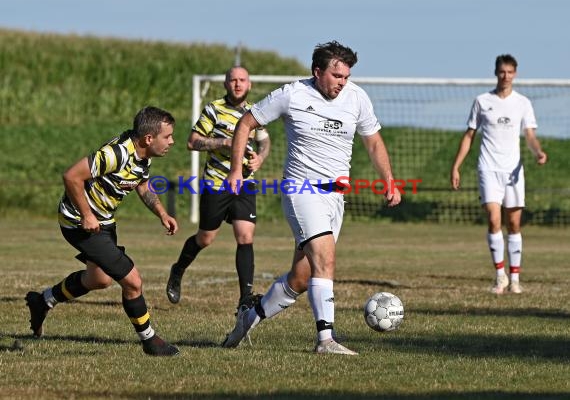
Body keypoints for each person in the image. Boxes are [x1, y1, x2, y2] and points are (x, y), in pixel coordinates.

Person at [222, 41, 401, 355]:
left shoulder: (357, 97)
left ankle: (248, 317)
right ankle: (326, 340)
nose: (342, 82)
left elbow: (373, 142)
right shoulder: (292, 95)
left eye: (345, 76)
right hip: (301, 190)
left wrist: (389, 181)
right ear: (317, 72)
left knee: (302, 277)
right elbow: (246, 123)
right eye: (336, 76)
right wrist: (237, 169)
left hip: (335, 198)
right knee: (326, 260)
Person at [25, 106, 180, 356]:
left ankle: (42, 301)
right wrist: (86, 215)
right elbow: (71, 176)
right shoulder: (115, 154)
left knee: (99, 280)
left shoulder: (143, 154)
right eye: (168, 136)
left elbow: (141, 182)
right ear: (149, 138)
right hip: (78, 222)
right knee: (133, 282)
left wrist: (162, 213)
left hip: (104, 221)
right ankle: (150, 341)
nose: (172, 141)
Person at [166, 66, 270, 314]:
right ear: (225, 84)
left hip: (245, 183)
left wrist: (261, 158)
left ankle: (245, 299)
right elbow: (192, 142)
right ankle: (178, 268)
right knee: (205, 238)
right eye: (233, 80)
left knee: (245, 236)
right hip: (216, 184)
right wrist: (223, 141)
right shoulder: (214, 109)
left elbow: (264, 141)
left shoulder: (255, 112)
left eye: (242, 80)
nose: (237, 84)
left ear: (249, 84)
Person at [450, 54, 548, 295]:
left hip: (513, 169)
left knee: (514, 223)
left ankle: (515, 278)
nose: (506, 76)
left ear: (515, 74)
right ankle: (500, 276)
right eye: (502, 72)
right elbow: (469, 135)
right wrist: (456, 166)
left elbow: (530, 135)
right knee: (494, 220)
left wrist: (538, 152)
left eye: (510, 72)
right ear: (496, 73)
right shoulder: (482, 101)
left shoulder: (523, 103)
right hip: (488, 167)